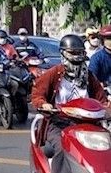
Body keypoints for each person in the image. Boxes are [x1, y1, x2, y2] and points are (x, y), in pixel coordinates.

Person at [32, 34, 108, 173]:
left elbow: (101, 99)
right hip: (59, 123)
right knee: (62, 149)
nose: (77, 57)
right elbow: (37, 95)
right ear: (63, 53)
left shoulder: (89, 76)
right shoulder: (53, 73)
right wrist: (44, 104)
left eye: (80, 53)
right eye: (73, 53)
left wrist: (107, 109)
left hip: (89, 125)